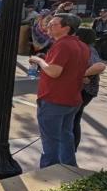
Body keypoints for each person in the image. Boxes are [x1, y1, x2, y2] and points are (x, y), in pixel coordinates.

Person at [28, 13, 91, 168]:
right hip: (72, 99)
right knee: (65, 136)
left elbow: (54, 71)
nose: (49, 26)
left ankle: (49, 175)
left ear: (66, 28)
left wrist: (38, 60)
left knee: (51, 142)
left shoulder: (62, 45)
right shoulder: (82, 46)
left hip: (54, 100)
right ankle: (69, 168)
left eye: (54, 24)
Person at [73, 29, 107, 149]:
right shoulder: (82, 48)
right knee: (73, 119)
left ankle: (71, 149)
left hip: (85, 90)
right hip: (81, 89)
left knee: (73, 120)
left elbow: (99, 66)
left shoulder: (88, 49)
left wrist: (82, 75)